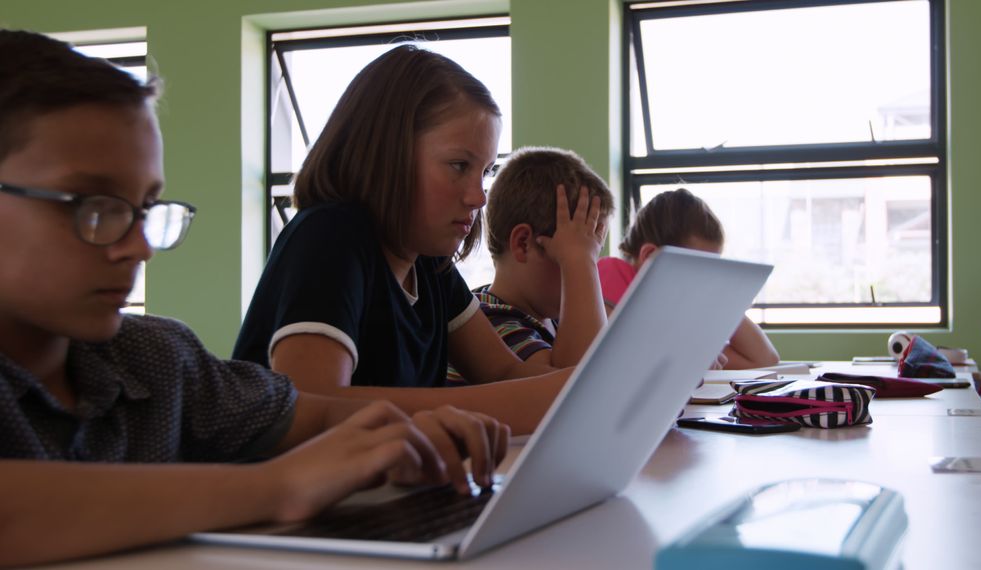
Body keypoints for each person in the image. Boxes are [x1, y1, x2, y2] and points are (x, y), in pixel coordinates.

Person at [0, 30, 508, 567]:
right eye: (93, 205)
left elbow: (309, 415)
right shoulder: (334, 233)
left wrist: (396, 438)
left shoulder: (159, 359)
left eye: (145, 207)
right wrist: (276, 486)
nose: (138, 247)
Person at [233, 46, 572, 435]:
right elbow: (311, 405)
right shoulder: (330, 235)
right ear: (386, 154)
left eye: (485, 171)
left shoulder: (428, 263)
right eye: (459, 166)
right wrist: (534, 401)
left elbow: (506, 373)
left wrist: (583, 383)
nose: (479, 197)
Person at [446, 146, 611, 382]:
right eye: (581, 256)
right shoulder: (493, 323)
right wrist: (580, 261)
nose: (587, 273)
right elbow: (582, 389)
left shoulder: (553, 321)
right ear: (523, 244)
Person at [598, 188, 780, 369]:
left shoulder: (676, 309)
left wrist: (721, 301)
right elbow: (612, 355)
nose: (703, 283)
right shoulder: (609, 273)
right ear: (649, 257)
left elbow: (764, 358)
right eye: (695, 269)